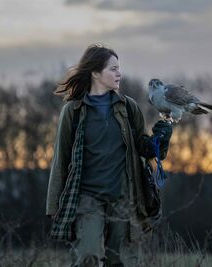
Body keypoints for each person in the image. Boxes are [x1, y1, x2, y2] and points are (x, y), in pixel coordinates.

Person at [46, 43, 172, 267]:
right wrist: (54, 205)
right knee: (88, 257)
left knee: (121, 261)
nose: (119, 73)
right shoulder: (73, 111)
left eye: (119, 68)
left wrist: (160, 140)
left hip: (124, 196)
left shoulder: (128, 107)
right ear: (95, 72)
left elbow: (145, 149)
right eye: (113, 68)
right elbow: (61, 160)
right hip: (86, 198)